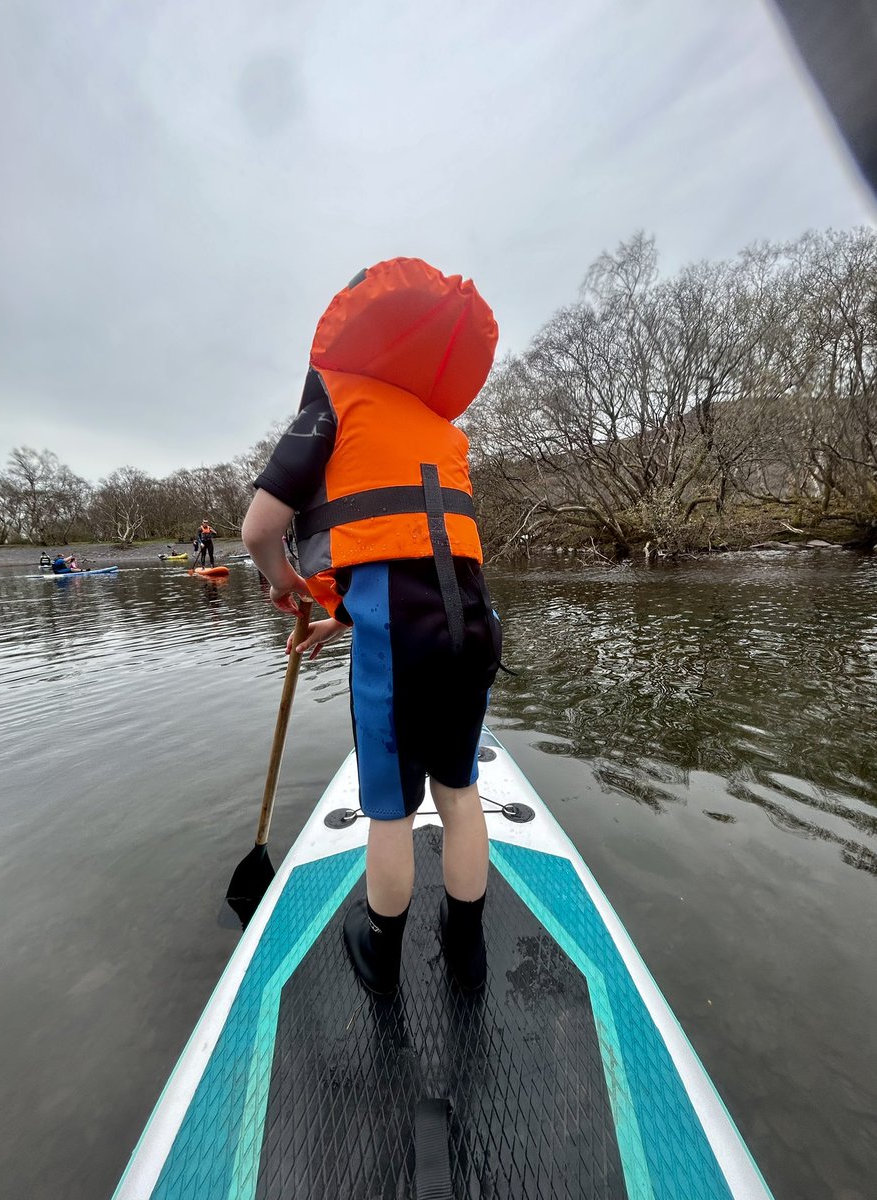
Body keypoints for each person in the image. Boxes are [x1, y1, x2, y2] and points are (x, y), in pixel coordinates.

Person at [242, 257, 501, 996]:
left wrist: (285, 584)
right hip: (474, 630)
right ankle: (466, 955)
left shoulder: (336, 396)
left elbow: (261, 529)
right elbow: (424, 569)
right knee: (458, 789)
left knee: (388, 804)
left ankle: (381, 953)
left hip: (403, 640)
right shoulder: (443, 430)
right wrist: (336, 621)